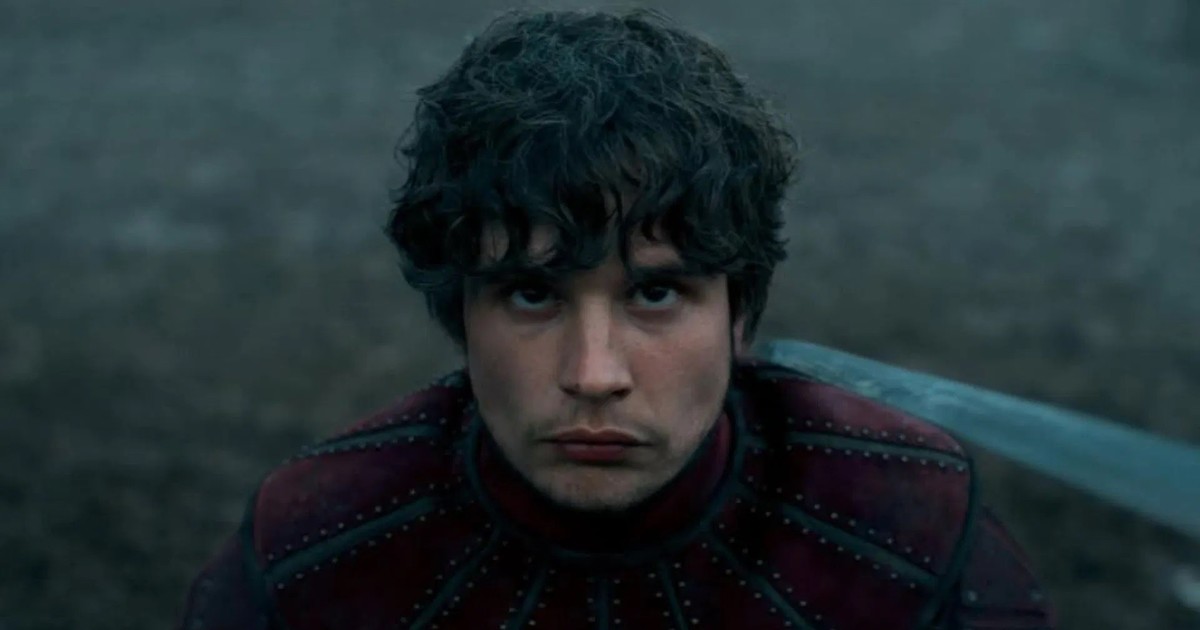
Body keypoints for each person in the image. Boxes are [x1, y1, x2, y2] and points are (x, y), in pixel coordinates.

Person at [179, 8, 1056, 629]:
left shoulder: (908, 527)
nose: (594, 374)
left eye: (655, 295)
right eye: (533, 294)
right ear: (463, 315)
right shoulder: (316, 547)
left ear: (737, 315)